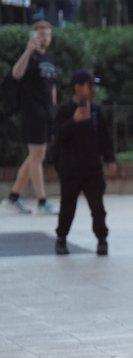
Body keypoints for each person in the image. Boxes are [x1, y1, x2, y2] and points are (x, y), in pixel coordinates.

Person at [52, 71, 115, 256]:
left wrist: (110, 158)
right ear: (77, 87)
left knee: (97, 207)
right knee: (67, 207)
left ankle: (102, 239)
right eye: (89, 85)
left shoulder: (95, 110)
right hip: (70, 169)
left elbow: (104, 137)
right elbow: (58, 136)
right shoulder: (64, 110)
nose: (93, 89)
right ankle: (61, 238)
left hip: (93, 169)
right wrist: (74, 121)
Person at [4, 21, 58, 215]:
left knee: (37, 155)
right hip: (32, 111)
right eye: (41, 34)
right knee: (37, 155)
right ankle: (42, 202)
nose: (45, 38)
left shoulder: (50, 58)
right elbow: (16, 74)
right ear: (33, 37)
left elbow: (52, 87)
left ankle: (13, 198)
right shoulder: (31, 57)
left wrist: (53, 110)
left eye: (47, 34)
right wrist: (28, 51)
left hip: (46, 112)